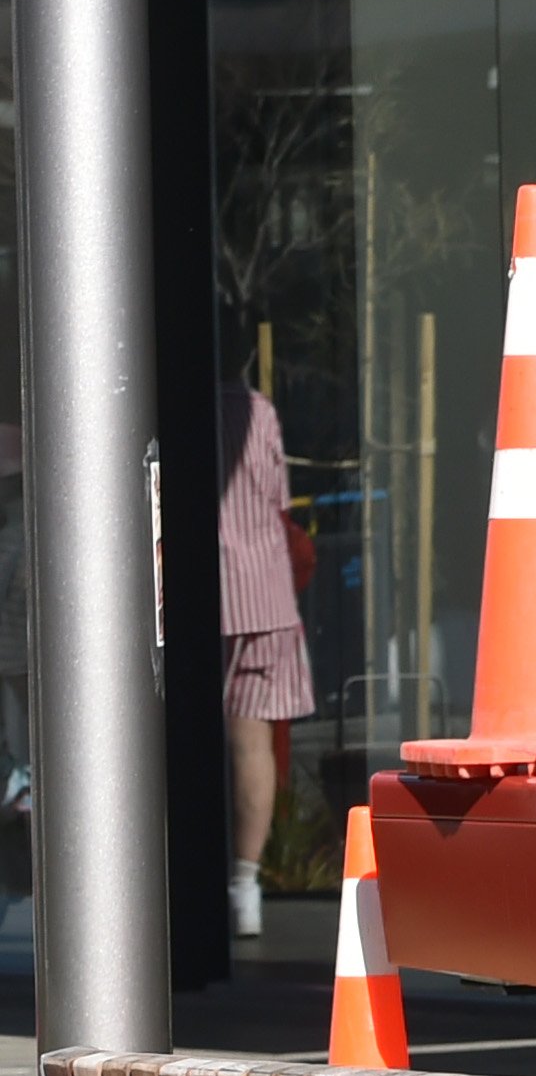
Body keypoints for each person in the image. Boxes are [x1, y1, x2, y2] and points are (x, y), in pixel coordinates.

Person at [215, 384, 313, 938]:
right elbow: (279, 496)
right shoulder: (259, 410)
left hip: (196, 588)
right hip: (264, 590)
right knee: (252, 745)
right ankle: (243, 888)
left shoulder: (164, 401)